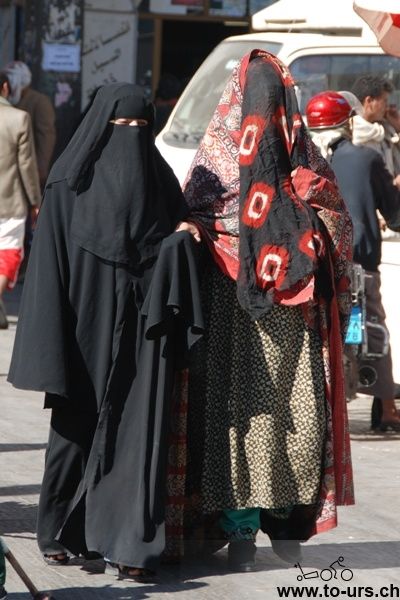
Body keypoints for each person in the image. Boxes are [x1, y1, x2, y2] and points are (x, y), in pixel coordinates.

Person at [164, 50, 355, 572]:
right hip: (239, 327)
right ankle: (251, 531)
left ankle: (277, 526)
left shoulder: (236, 165)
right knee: (249, 426)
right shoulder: (283, 168)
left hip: (283, 326)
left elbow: (335, 224)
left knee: (286, 426)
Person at [7, 83, 203, 579]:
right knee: (75, 430)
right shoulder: (66, 186)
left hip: (141, 326)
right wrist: (49, 345)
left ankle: (130, 545)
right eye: (122, 126)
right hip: (82, 326)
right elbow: (48, 274)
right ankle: (56, 531)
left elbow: (173, 233)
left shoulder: (158, 180)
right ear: (102, 128)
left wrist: (183, 237)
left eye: (141, 128)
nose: (131, 137)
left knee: (137, 435)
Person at [306, 90, 400, 432]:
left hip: (315, 263)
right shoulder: (366, 158)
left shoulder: (301, 161)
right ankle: (386, 408)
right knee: (374, 326)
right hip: (360, 259)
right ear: (348, 123)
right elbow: (395, 214)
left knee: (318, 331)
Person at [0, 72, 41, 329]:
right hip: (9, 199)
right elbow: (26, 165)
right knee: (9, 252)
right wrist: (35, 200)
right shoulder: (18, 118)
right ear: (5, 87)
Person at [4, 61, 56, 189]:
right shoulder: (8, 101)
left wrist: (40, 170)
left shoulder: (39, 102)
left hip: (29, 170)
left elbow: (46, 137)